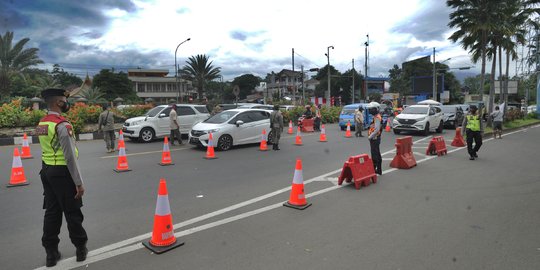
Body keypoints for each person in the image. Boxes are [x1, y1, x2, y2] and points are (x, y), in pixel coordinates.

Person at [37, 88, 88, 267]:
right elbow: (69, 157)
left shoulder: (42, 122)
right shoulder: (62, 125)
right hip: (62, 173)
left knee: (52, 212)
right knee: (72, 212)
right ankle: (81, 249)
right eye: (65, 100)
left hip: (47, 171)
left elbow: (47, 149)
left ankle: (51, 254)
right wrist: (79, 183)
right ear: (59, 103)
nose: (67, 103)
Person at [367, 102, 382, 175]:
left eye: (371, 109)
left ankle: (374, 169)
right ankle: (379, 170)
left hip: (375, 138)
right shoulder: (376, 116)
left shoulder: (377, 118)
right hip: (375, 138)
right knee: (377, 153)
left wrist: (370, 136)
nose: (370, 111)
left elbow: (377, 129)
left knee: (374, 154)